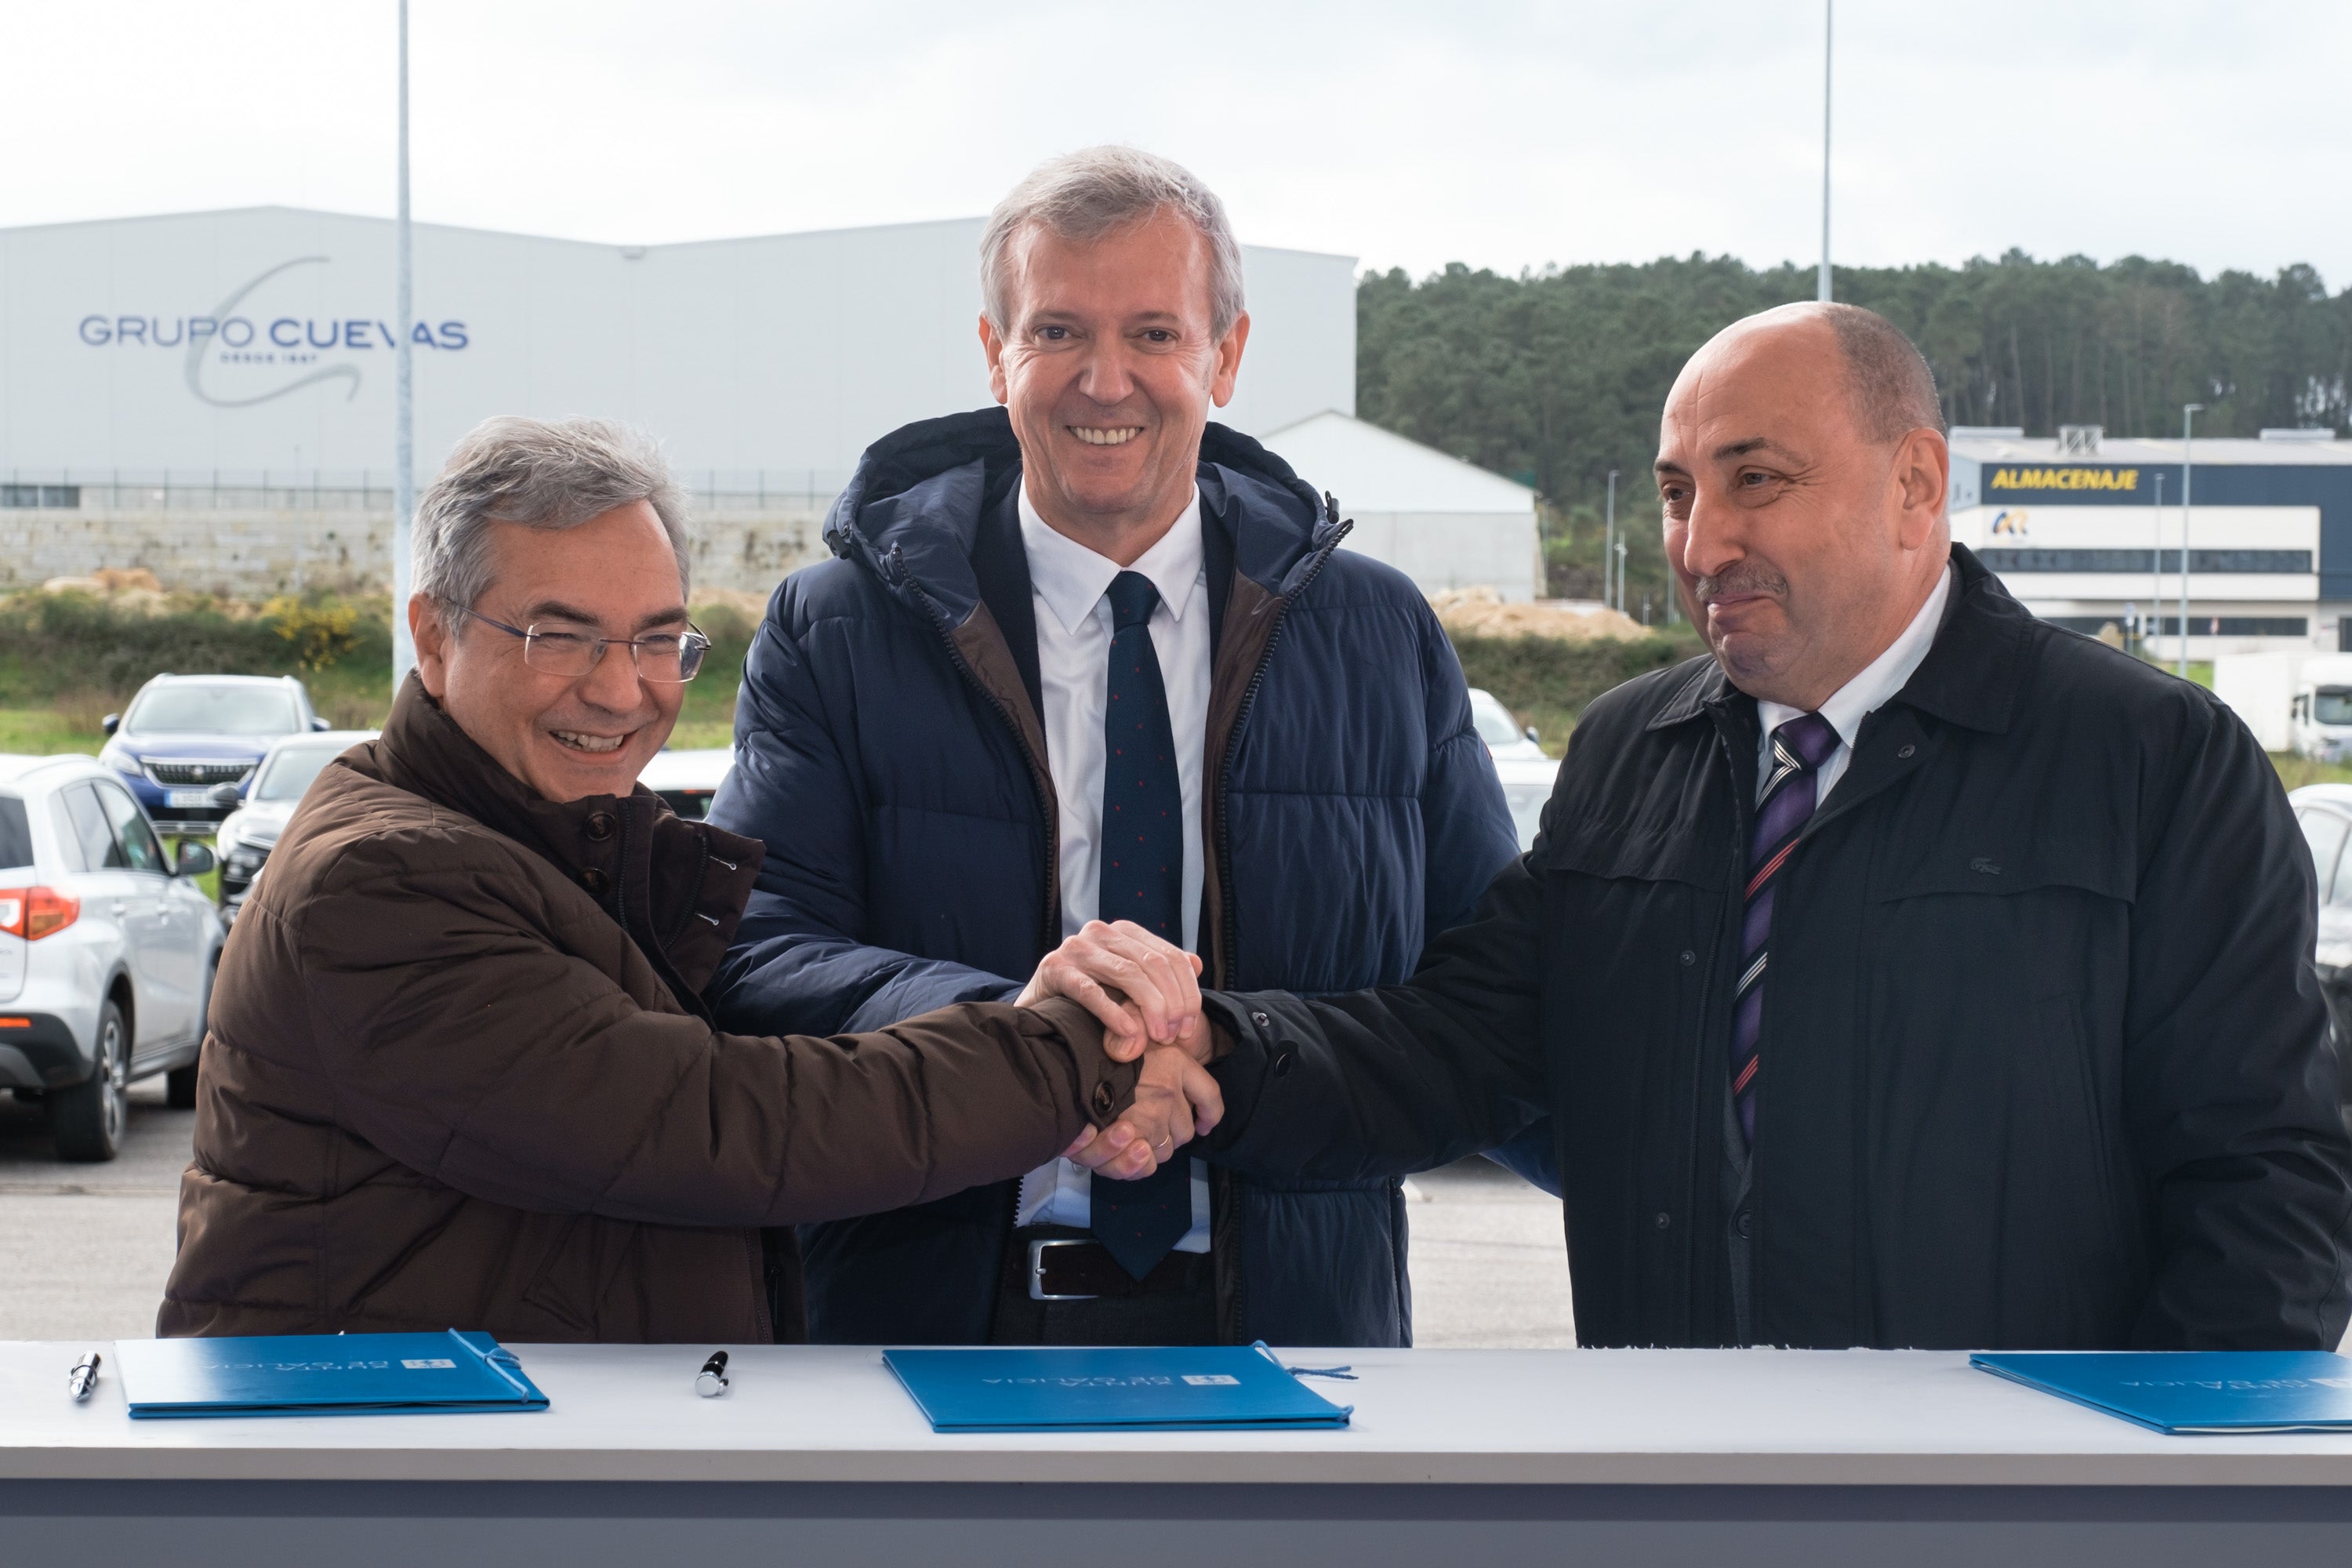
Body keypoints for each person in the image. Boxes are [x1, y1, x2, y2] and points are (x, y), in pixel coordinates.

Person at [1065, 302, 2352, 1351]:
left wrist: (2151, 1499)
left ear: (1916, 485)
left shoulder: (2151, 765)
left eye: (1760, 481)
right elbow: (1463, 1042)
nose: (1703, 540)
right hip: (1679, 1487)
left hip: (2011, 1512)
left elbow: (2269, 1193)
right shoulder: (1634, 751)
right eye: (1680, 491)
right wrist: (1218, 1058)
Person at [158, 415, 1217, 1342]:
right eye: (557, 636)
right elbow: (714, 1124)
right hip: (369, 1485)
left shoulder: (572, 838)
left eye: (659, 641)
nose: (622, 690)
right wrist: (1072, 1044)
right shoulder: (382, 882)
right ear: (433, 637)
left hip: (490, 1458)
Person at [706, 147, 1521, 1348]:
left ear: (1225, 358)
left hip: (1299, 1340)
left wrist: (1232, 1055)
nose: (1104, 381)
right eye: (1056, 333)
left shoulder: (1379, 634)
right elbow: (752, 958)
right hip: (921, 1334)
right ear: (995, 354)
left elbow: (1488, 1010)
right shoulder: (835, 629)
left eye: (1153, 333)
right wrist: (1027, 1037)